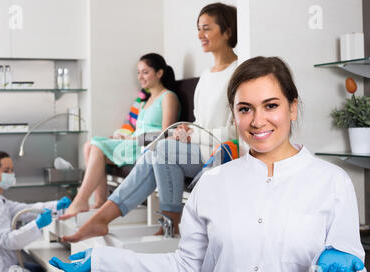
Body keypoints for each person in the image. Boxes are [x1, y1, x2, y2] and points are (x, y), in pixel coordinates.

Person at [50, 56, 369, 272]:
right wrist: (101, 263)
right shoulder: (213, 183)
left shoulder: (331, 182)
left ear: (293, 108)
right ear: (234, 115)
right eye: (245, 109)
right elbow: (185, 271)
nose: (258, 121)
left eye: (271, 105)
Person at [59, 2, 240, 237]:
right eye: (198, 29)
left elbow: (238, 131)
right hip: (197, 147)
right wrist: (187, 129)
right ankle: (109, 218)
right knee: (155, 151)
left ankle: (163, 220)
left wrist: (193, 134)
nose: (200, 35)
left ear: (227, 31)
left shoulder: (240, 72)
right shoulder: (206, 76)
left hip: (220, 152)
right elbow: (200, 122)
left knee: (161, 148)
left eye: (206, 28)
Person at [64, 53, 180, 214]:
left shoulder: (168, 97)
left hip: (146, 146)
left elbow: (166, 133)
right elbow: (138, 128)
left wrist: (134, 138)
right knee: (89, 145)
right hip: (133, 141)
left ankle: (82, 200)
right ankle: (98, 202)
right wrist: (123, 137)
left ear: (159, 73)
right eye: (138, 72)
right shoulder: (145, 101)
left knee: (96, 147)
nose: (140, 77)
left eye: (145, 72)